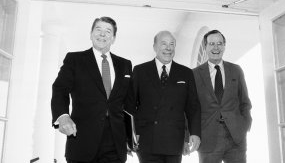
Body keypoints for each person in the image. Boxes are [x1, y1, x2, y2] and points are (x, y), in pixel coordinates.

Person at [51, 17, 132, 163]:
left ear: (113, 38)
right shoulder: (74, 59)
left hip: (115, 142)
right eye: (98, 29)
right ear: (91, 34)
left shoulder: (125, 64)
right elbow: (59, 89)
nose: (102, 34)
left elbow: (129, 102)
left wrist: (132, 135)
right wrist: (63, 116)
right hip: (82, 139)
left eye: (108, 31)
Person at [125, 30, 201, 163]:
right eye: (164, 44)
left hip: (174, 139)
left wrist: (195, 133)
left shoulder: (185, 73)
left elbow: (193, 107)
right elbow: (130, 105)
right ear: (154, 47)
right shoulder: (140, 71)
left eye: (172, 44)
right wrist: (130, 135)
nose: (168, 48)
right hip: (147, 138)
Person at [193, 30, 252, 163]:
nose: (216, 47)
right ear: (205, 47)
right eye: (212, 43)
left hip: (236, 137)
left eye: (220, 43)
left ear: (224, 46)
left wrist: (245, 125)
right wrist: (189, 135)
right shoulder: (194, 74)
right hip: (208, 137)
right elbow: (191, 108)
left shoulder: (236, 70)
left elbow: (245, 102)